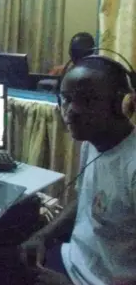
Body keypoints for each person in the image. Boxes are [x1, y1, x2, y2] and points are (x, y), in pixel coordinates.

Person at [19, 55, 136, 284]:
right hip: (70, 259)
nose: (71, 110)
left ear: (121, 105)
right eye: (66, 99)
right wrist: (42, 235)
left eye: (87, 100)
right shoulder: (91, 142)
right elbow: (85, 199)